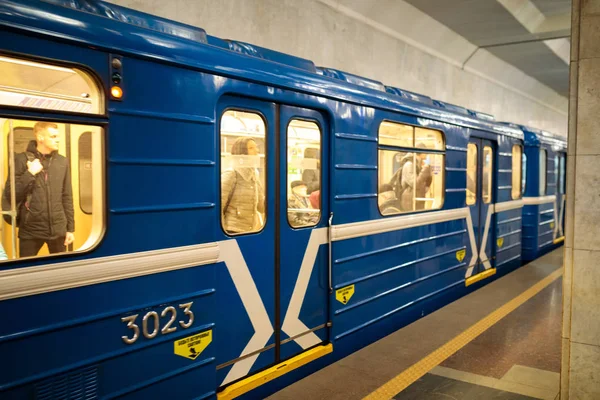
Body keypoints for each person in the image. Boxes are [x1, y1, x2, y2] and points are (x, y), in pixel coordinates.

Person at [3, 122, 74, 257]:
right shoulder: (21, 160)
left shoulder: (62, 161)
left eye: (57, 136)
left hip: (58, 229)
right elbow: (11, 194)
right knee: (26, 270)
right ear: (40, 137)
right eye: (53, 136)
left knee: (60, 269)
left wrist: (70, 229)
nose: (57, 139)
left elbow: (67, 196)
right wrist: (30, 174)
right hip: (31, 229)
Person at [221, 137, 265, 234]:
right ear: (242, 152)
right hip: (232, 231)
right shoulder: (231, 173)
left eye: (256, 147)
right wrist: (223, 232)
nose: (257, 151)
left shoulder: (254, 174)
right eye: (251, 148)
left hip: (251, 230)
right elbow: (219, 204)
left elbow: (261, 206)